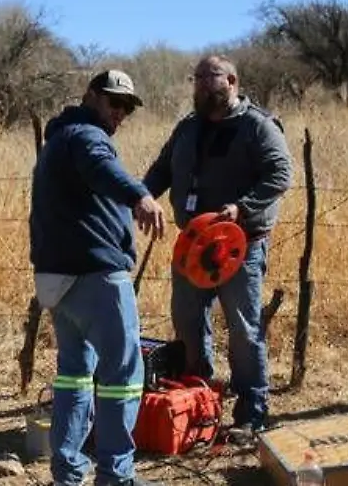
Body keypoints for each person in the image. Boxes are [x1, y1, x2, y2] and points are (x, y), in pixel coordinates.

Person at [142, 55, 292, 444]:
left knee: (243, 330)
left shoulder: (258, 125)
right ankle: (199, 405)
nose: (203, 85)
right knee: (187, 323)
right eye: (198, 78)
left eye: (211, 77)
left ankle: (251, 415)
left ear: (232, 81)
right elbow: (161, 170)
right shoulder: (187, 128)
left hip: (238, 247)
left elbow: (280, 174)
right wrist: (142, 196)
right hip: (193, 246)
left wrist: (243, 207)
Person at [29, 70, 166, 486]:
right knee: (122, 378)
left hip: (58, 281)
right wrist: (140, 195)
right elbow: (102, 168)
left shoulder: (59, 140)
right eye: (114, 102)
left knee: (74, 375)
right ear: (90, 96)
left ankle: (67, 473)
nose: (120, 112)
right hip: (96, 276)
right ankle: (116, 475)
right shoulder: (87, 137)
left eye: (127, 107)